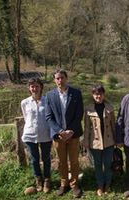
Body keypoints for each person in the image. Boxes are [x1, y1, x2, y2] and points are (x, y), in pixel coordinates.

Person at [45, 69, 84, 198]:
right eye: (57, 78)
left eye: (62, 78)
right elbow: (49, 117)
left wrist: (70, 131)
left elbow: (79, 114)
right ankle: (63, 183)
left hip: (73, 134)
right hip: (58, 135)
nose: (59, 81)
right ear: (54, 80)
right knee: (61, 161)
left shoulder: (76, 93)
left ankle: (74, 184)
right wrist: (61, 131)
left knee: (74, 161)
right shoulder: (50, 95)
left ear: (66, 78)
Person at [83, 85, 116, 196]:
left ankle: (108, 184)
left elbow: (113, 125)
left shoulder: (110, 108)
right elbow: (87, 127)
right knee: (97, 165)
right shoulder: (88, 109)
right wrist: (86, 142)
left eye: (100, 94)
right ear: (93, 95)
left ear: (104, 94)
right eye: (96, 94)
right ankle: (100, 185)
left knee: (107, 164)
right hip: (95, 142)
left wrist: (116, 140)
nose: (98, 96)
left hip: (109, 142)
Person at [21, 78, 52, 193]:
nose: (34, 89)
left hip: (45, 134)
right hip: (30, 135)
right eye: (32, 86)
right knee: (34, 159)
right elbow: (26, 117)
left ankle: (47, 180)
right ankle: (38, 179)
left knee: (46, 158)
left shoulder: (47, 101)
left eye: (37, 86)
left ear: (41, 87)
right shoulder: (24, 102)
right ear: (29, 88)